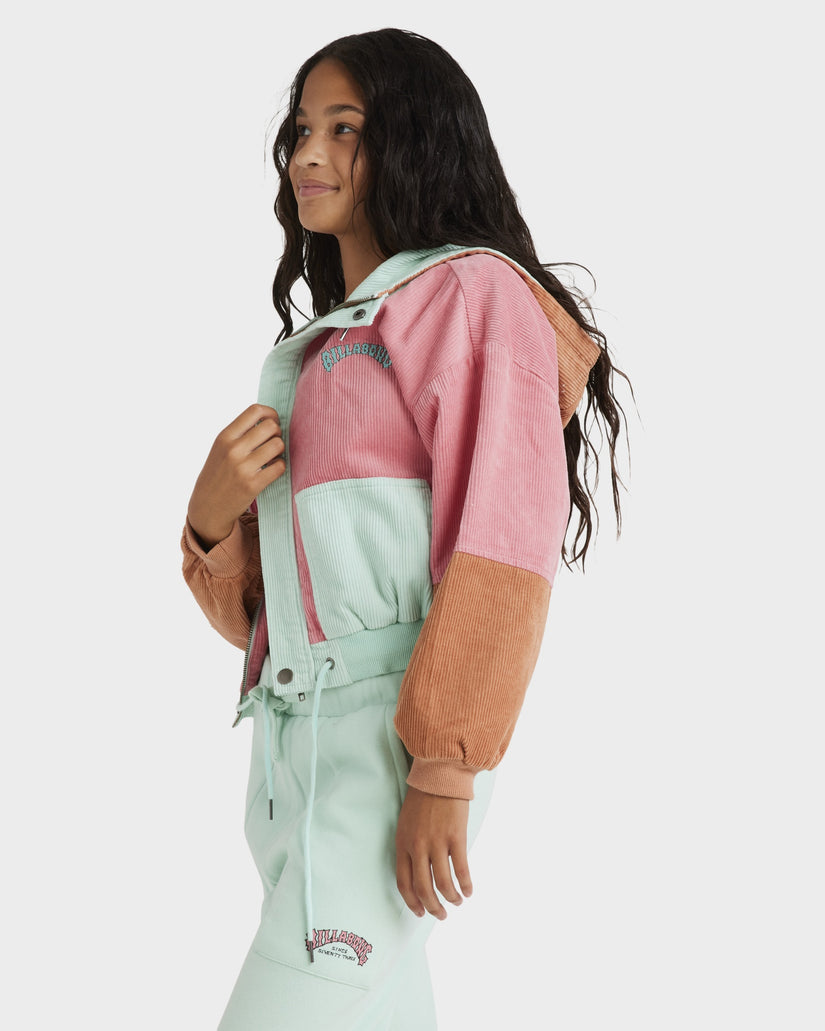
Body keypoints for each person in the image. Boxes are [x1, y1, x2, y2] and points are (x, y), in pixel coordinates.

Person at [182, 27, 629, 1031]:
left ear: (417, 138)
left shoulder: (472, 294)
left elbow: (502, 541)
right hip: (292, 760)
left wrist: (444, 763)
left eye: (345, 128)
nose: (308, 154)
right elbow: (279, 620)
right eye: (302, 129)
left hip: (387, 750)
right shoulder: (331, 346)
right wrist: (211, 519)